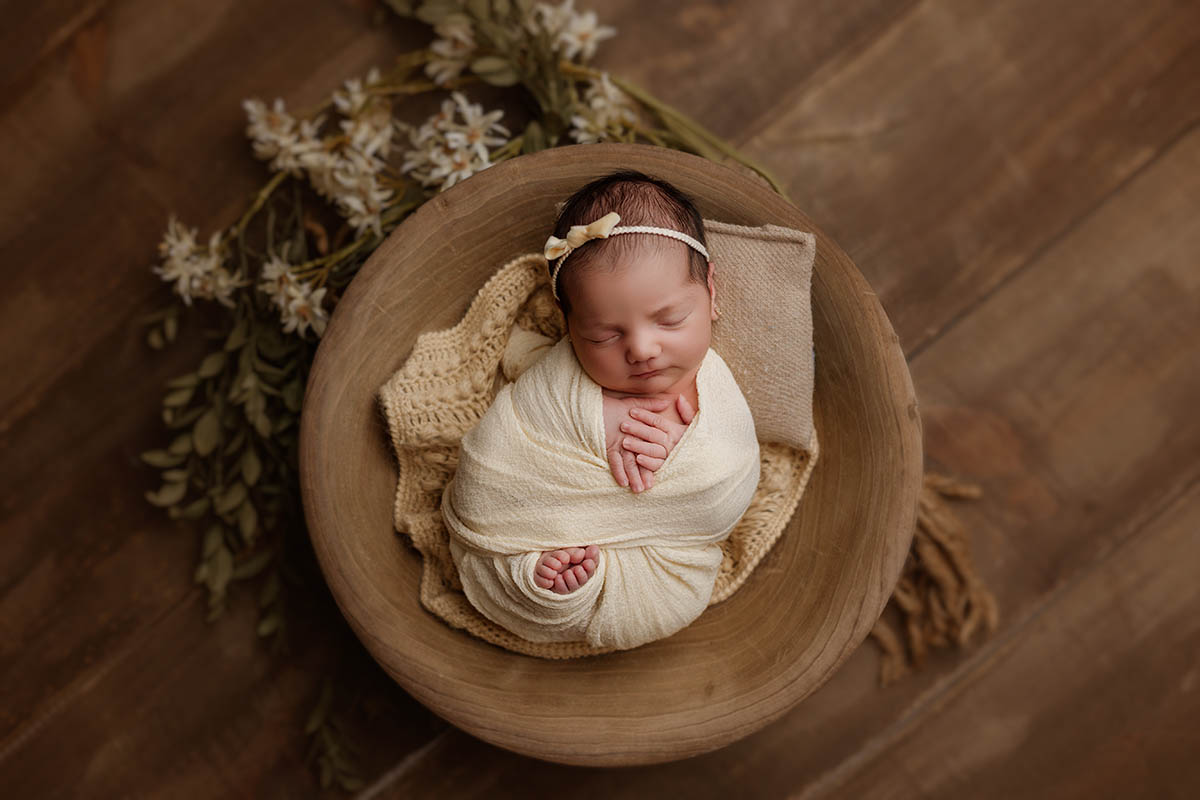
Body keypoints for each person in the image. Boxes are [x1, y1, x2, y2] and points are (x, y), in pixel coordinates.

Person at [441, 170, 760, 650]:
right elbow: (496, 464)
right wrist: (597, 426)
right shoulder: (559, 383)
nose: (642, 350)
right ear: (569, 325)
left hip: (662, 559)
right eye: (604, 336)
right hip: (526, 532)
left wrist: (683, 453)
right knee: (505, 568)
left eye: (671, 319)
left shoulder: (714, 393)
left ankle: (564, 589)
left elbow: (728, 484)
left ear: (711, 293)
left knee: (676, 595)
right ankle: (544, 586)